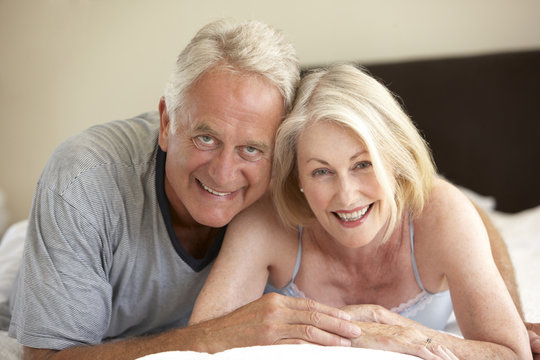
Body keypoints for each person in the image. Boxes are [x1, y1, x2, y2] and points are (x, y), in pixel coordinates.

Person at [7, 19, 364, 360]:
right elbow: (47, 357)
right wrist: (209, 338)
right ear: (166, 122)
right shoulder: (83, 178)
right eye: (205, 138)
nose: (224, 173)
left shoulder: (306, 181)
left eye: (251, 149)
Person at [189, 64, 533, 359]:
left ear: (395, 162)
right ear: (297, 178)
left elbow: (512, 353)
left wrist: (404, 331)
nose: (347, 195)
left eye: (363, 164)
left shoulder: (442, 212)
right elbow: (197, 346)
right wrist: (356, 332)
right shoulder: (266, 221)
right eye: (321, 171)